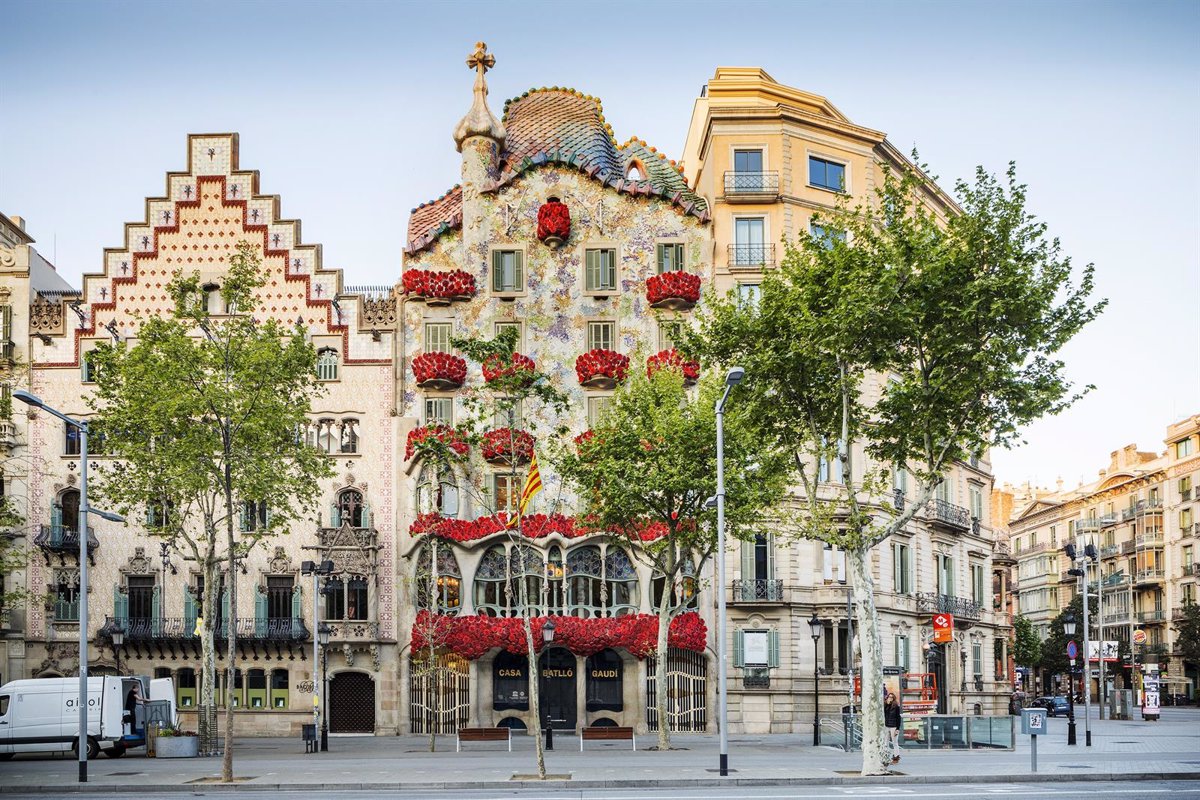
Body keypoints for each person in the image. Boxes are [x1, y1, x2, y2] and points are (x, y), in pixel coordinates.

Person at [884, 692, 902, 765]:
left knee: (895, 743)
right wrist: (887, 704)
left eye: (891, 697)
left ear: (893, 698)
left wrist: (897, 729)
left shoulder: (896, 707)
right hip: (886, 726)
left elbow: (898, 718)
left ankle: (896, 758)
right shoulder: (885, 705)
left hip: (893, 726)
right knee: (885, 743)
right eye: (889, 697)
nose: (890, 698)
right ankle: (885, 757)